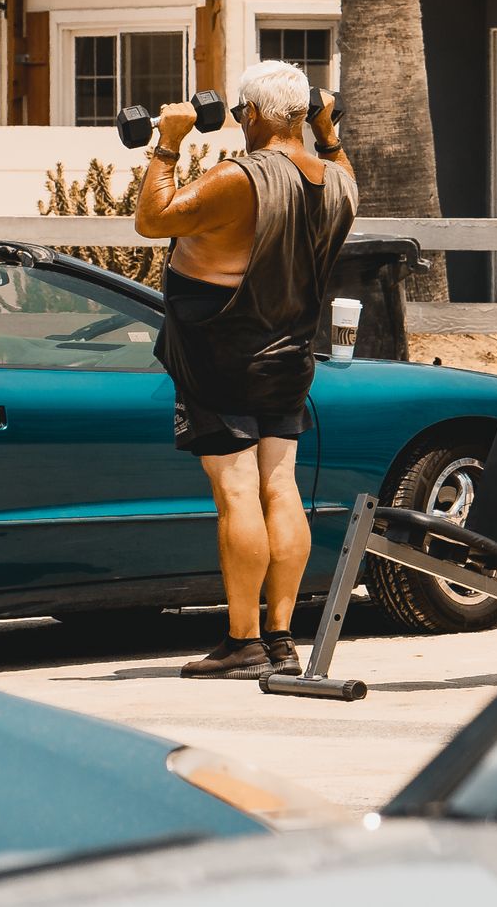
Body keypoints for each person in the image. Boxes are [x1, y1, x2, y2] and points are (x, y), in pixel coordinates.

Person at [136, 61, 357, 679]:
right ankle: (283, 639)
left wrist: (169, 142)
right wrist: (328, 129)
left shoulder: (241, 176)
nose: (236, 122)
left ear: (253, 116)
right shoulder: (338, 181)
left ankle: (243, 641)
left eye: (239, 113)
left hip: (221, 352)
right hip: (287, 352)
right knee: (279, 487)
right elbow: (335, 162)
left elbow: (153, 219)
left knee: (236, 491)